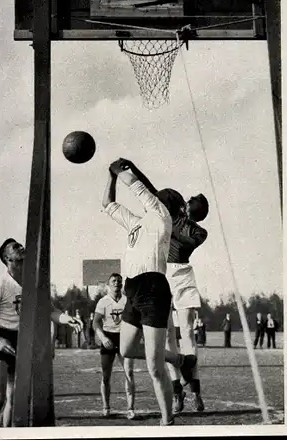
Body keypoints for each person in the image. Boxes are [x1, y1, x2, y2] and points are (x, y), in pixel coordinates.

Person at [103, 158, 197, 426]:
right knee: (127, 348)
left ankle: (167, 423)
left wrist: (120, 170)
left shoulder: (161, 214)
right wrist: (110, 177)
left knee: (155, 369)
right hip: (133, 290)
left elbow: (137, 186)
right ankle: (179, 359)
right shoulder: (137, 222)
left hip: (154, 288)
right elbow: (107, 205)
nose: (152, 196)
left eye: (157, 196)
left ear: (161, 201)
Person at [0, 238, 83, 428]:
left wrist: (68, 319)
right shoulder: (0, 284)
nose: (22, 246)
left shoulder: (32, 281)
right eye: (15, 247)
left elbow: (50, 310)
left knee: (15, 399)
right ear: (7, 258)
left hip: (20, 339)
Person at [94, 273, 136, 419]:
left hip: (124, 337)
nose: (116, 283)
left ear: (122, 283)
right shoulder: (103, 302)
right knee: (106, 375)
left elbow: (135, 320)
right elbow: (95, 322)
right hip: (109, 337)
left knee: (129, 373)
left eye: (119, 281)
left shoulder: (127, 301)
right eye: (113, 281)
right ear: (108, 284)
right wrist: (103, 338)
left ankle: (130, 408)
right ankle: (106, 407)